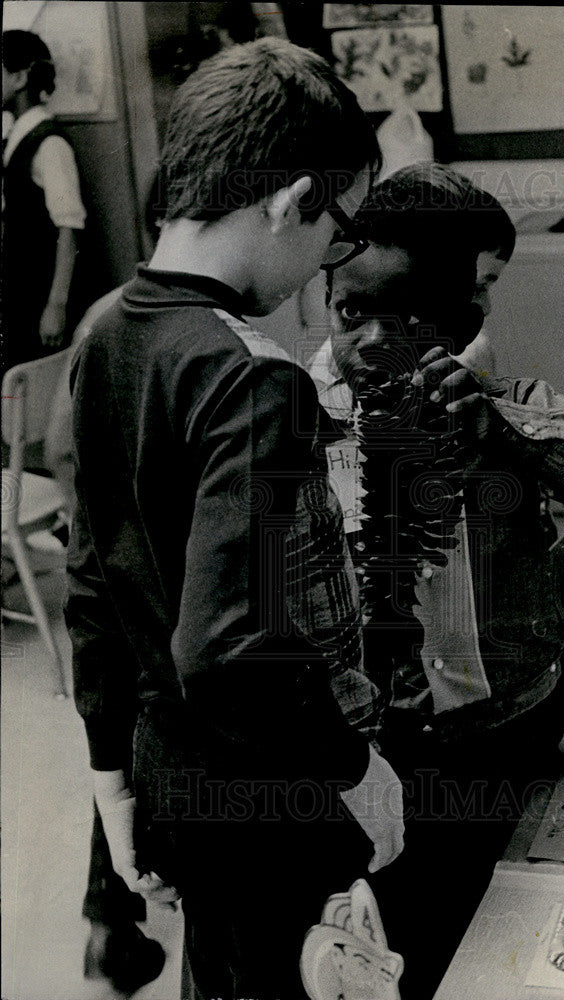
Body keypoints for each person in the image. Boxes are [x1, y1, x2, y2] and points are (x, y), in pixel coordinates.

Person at [66, 39, 404, 1000]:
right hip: (271, 789)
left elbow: (91, 580)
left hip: (169, 770)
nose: (322, 266)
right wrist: (352, 769)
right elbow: (227, 646)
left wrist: (113, 784)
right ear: (293, 202)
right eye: (334, 233)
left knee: (221, 977)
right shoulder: (254, 380)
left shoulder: (107, 335)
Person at [310, 162, 564, 997]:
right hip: (375, 755)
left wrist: (500, 424)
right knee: (403, 942)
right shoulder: (294, 418)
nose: (370, 337)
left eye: (407, 316)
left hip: (509, 728)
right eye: (351, 309)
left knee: (512, 938)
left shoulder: (498, 403)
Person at [2, 30, 86, 371]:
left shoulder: (50, 144)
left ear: (21, 78)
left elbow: (70, 228)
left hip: (40, 292)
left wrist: (56, 307)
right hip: (18, 287)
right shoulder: (15, 135)